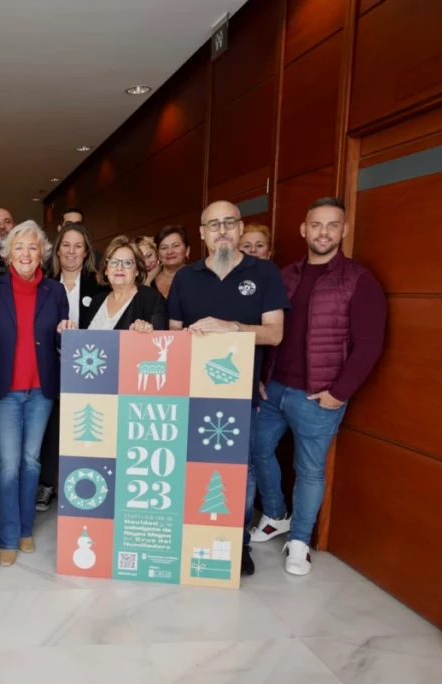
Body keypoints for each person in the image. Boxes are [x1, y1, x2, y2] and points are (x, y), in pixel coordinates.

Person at [249, 198, 386, 576]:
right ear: (303, 230)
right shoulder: (285, 275)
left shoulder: (359, 280)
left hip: (318, 395)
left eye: (332, 225)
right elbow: (269, 331)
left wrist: (339, 392)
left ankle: (300, 541)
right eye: (316, 225)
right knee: (256, 451)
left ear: (343, 230)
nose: (323, 232)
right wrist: (261, 378)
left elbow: (370, 344)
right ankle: (276, 514)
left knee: (308, 469)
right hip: (274, 388)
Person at [166, 201, 290, 577]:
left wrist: (231, 327)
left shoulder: (265, 273)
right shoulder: (185, 277)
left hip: (239, 395)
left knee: (240, 470)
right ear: (201, 234)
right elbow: (172, 333)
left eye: (228, 223)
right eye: (213, 224)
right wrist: (189, 337)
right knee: (191, 466)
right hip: (190, 391)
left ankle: (237, 544)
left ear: (239, 229)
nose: (221, 230)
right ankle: (190, 537)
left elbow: (274, 333)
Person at [0, 220, 74, 566]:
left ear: (42, 253)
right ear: (7, 253)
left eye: (33, 247)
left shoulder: (55, 292)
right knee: (9, 465)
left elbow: (62, 340)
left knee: (31, 463)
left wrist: (66, 331)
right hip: (4, 390)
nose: (26, 253)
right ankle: (6, 536)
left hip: (41, 390)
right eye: (19, 247)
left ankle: (26, 530)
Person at [36, 223, 101, 512]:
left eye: (78, 245)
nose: (71, 251)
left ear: (86, 251)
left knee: (86, 425)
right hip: (52, 364)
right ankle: (48, 484)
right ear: (57, 249)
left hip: (90, 367)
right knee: (52, 427)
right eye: (66, 245)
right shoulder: (45, 284)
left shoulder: (99, 284)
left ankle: (86, 484)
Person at [84, 236, 168, 332]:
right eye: (113, 262)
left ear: (137, 270)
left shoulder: (151, 299)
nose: (119, 267)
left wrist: (145, 333)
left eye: (127, 263)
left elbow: (161, 341)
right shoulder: (97, 300)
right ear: (106, 270)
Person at [152, 225, 191, 298]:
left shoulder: (199, 279)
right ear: (158, 255)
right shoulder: (150, 284)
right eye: (164, 248)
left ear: (187, 251)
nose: (169, 252)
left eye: (175, 246)